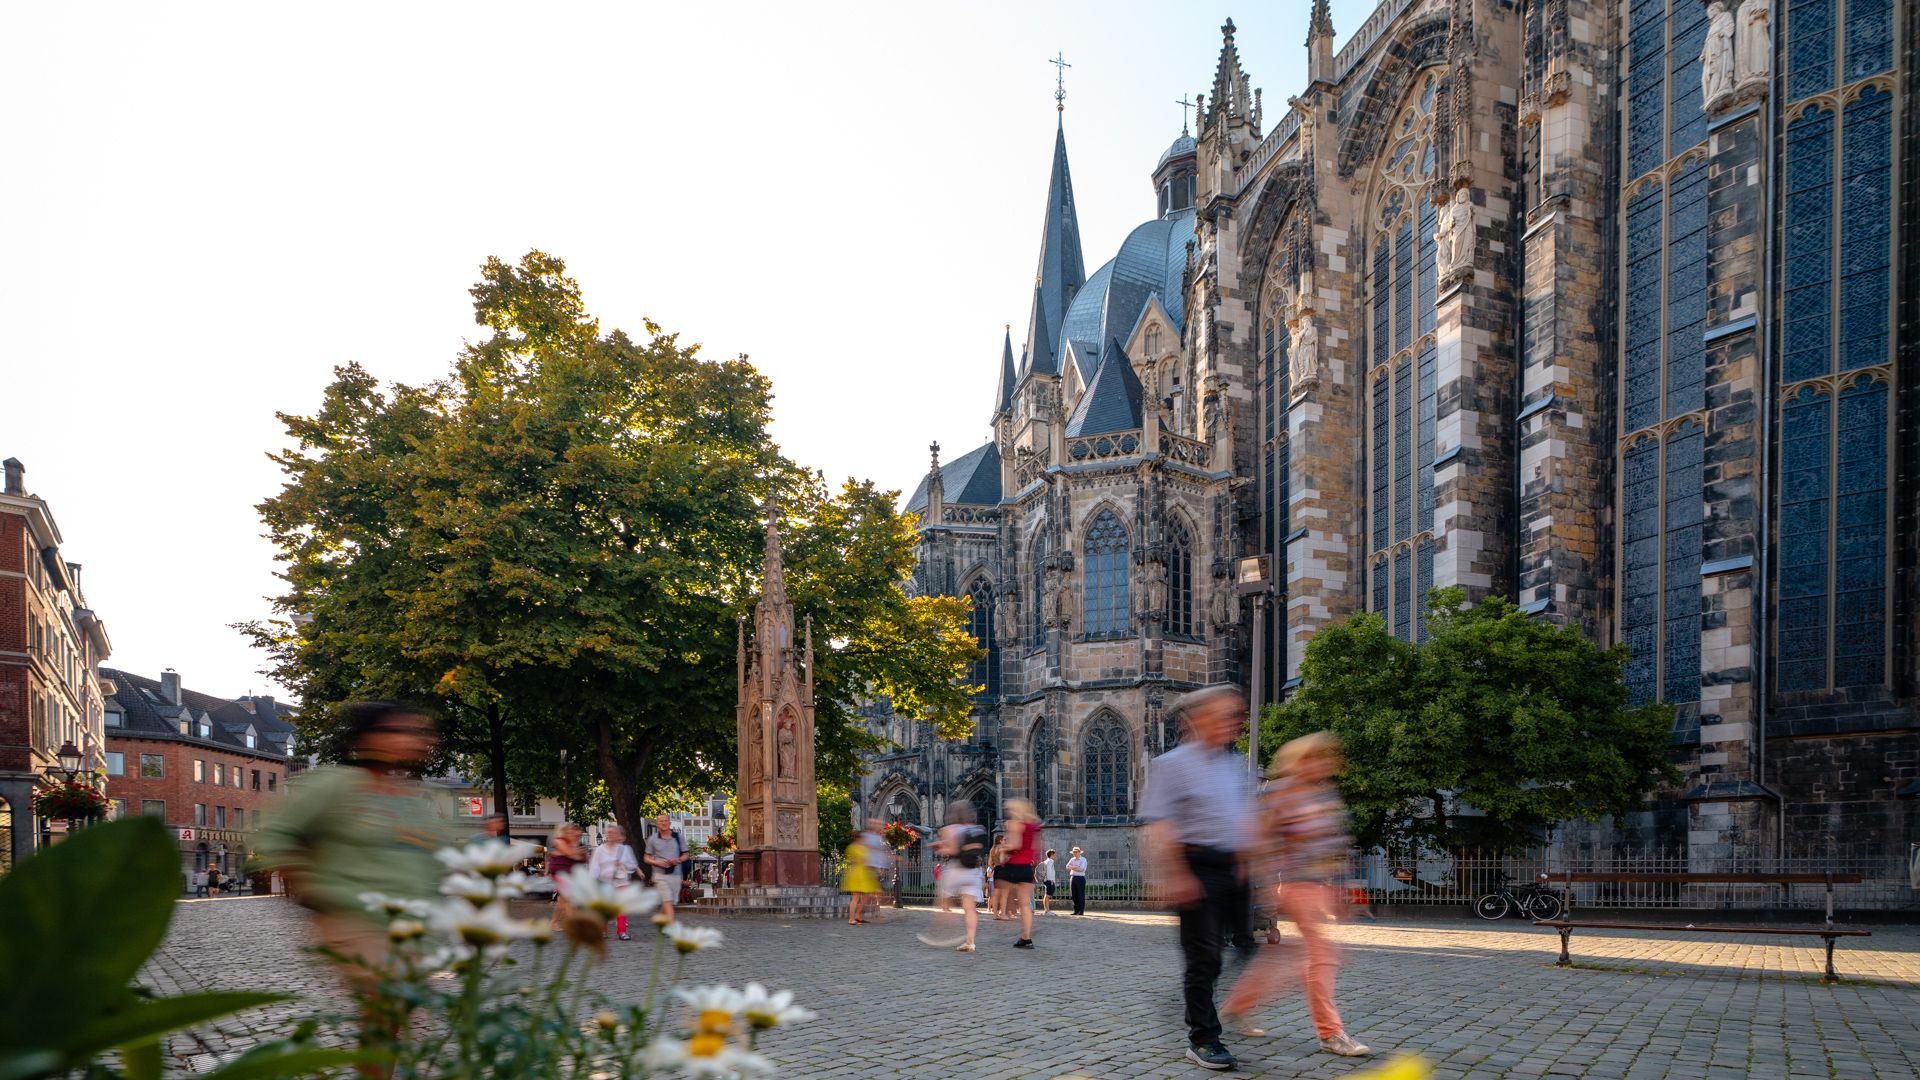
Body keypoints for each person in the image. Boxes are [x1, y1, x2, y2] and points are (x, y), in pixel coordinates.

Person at [253, 701, 453, 1065]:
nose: (416, 740)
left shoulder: (413, 801)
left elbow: (435, 859)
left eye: (420, 732)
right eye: (401, 730)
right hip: (353, 918)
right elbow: (278, 832)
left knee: (389, 1026)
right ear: (368, 737)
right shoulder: (336, 784)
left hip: (408, 928)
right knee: (384, 1009)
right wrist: (310, 886)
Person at [1222, 733, 1371, 1057]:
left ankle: (1238, 1003)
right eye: (1318, 757)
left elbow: (1337, 845)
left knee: (1297, 960)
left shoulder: (1324, 796)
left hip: (1322, 886)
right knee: (1322, 957)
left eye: (1328, 758)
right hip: (1295, 886)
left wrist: (1342, 887)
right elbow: (1260, 839)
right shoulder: (1281, 793)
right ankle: (1331, 1033)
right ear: (1302, 760)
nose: (1326, 763)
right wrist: (1264, 879)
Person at [1136, 685, 1256, 1072]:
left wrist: (1246, 860)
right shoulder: (1173, 764)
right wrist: (1173, 874)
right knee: (1203, 958)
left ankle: (1201, 1002)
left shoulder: (1232, 764)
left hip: (1233, 868)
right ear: (1198, 720)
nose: (1236, 722)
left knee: (1244, 949)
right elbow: (1159, 825)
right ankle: (1203, 1038)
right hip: (1195, 866)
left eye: (1237, 715)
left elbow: (1239, 816)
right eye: (1226, 715)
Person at [918, 802, 987, 953]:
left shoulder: (950, 829)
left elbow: (953, 849)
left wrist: (938, 848)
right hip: (974, 871)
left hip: (957, 869)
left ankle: (938, 935)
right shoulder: (977, 829)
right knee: (970, 908)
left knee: (943, 899)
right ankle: (970, 941)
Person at [998, 799, 1042, 948]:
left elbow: (1015, 845)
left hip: (1014, 866)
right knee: (1025, 905)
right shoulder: (1034, 826)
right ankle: (1026, 937)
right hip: (1027, 868)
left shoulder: (1015, 824)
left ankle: (1003, 914)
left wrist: (1003, 849)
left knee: (1000, 890)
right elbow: (1036, 847)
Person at [589, 825, 640, 940]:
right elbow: (594, 867)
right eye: (609, 832)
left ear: (618, 835)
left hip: (621, 882)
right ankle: (603, 930)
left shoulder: (625, 849)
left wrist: (622, 863)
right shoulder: (599, 850)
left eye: (614, 832)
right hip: (604, 882)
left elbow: (632, 865)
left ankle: (622, 931)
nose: (611, 834)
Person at [643, 814, 686, 923]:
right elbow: (646, 858)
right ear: (657, 824)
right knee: (667, 900)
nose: (663, 823)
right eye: (661, 821)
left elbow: (686, 854)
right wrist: (657, 862)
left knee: (668, 902)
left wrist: (678, 860)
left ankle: (660, 921)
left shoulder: (678, 837)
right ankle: (670, 926)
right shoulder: (652, 839)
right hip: (660, 875)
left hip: (675, 874)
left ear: (670, 823)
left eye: (666, 820)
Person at [547, 823, 586, 930]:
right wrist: (578, 852)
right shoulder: (559, 841)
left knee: (562, 900)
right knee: (568, 898)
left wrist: (578, 851)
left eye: (572, 831)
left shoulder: (573, 842)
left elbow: (583, 858)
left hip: (569, 873)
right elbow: (571, 854)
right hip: (559, 872)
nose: (571, 833)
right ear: (563, 832)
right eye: (568, 831)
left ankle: (554, 923)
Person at [841, 830, 881, 924]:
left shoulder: (857, 847)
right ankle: (851, 919)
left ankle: (858, 915)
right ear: (858, 838)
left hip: (862, 874)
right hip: (859, 874)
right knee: (856, 897)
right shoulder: (856, 848)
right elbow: (865, 860)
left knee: (867, 895)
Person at [1067, 847, 1088, 916]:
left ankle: (1081, 911)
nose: (1075, 853)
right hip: (1073, 877)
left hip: (1080, 878)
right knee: (1074, 895)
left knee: (1080, 895)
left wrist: (1072, 867)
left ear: (1079, 852)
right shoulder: (1072, 859)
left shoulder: (1083, 859)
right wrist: (1076, 867)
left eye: (1076, 852)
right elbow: (1067, 866)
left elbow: (1081, 869)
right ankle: (1076, 910)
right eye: (1074, 852)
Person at [1039, 848, 1058, 915]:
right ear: (1052, 855)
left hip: (1046, 880)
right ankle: (1047, 911)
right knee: (1047, 895)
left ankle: (1046, 910)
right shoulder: (1050, 861)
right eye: (1055, 854)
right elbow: (1049, 871)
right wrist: (1051, 880)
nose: (1056, 856)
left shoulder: (1046, 861)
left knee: (1046, 895)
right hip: (1049, 880)